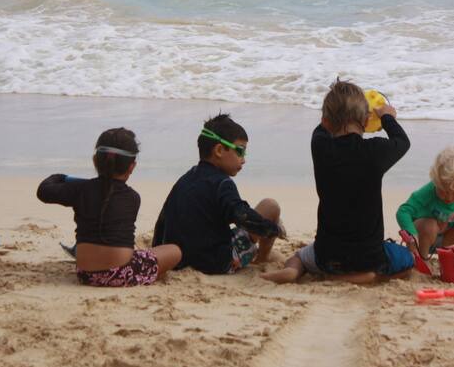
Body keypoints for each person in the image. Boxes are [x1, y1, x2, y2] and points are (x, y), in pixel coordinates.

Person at [262, 79, 413, 284]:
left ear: (326, 121)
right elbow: (402, 141)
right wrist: (387, 117)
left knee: (299, 256)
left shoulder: (320, 146)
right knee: (407, 260)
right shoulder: (375, 152)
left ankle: (293, 271)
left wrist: (339, 111)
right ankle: (368, 276)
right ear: (367, 121)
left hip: (327, 257)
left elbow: (324, 126)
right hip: (369, 258)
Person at [36, 128, 181, 287]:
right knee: (174, 251)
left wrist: (65, 177)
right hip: (121, 273)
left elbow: (44, 190)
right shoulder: (133, 198)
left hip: (85, 274)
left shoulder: (80, 190)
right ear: (131, 167)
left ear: (94, 161)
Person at [152, 114, 284, 275]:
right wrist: (273, 229)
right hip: (216, 263)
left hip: (178, 260)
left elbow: (163, 220)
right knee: (270, 206)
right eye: (240, 151)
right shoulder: (223, 184)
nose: (243, 160)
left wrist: (157, 249)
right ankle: (262, 257)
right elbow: (242, 216)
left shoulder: (185, 179)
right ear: (220, 150)